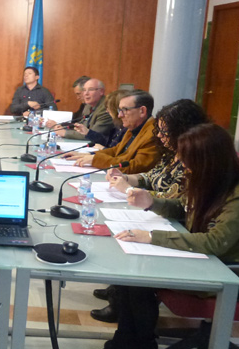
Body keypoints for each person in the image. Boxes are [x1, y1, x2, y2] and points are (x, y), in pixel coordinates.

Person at [85, 123, 239, 349]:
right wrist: (150, 202)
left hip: (232, 272)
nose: (184, 166)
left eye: (188, 160)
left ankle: (132, 344)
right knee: (130, 272)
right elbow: (182, 207)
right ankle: (134, 343)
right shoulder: (207, 178)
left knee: (138, 277)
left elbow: (216, 242)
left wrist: (153, 237)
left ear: (209, 160)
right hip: (204, 257)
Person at [90, 99, 210, 323]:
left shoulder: (197, 159)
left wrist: (133, 191)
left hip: (180, 228)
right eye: (161, 131)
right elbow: (151, 176)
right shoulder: (170, 152)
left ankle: (124, 309)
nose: (162, 137)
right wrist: (126, 178)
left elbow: (181, 202)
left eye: (166, 132)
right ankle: (121, 296)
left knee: (131, 243)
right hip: (161, 217)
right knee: (121, 232)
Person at [66, 89, 160, 174]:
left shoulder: (153, 134)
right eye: (119, 110)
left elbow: (135, 166)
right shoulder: (134, 127)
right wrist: (87, 155)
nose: (119, 115)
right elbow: (116, 150)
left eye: (124, 110)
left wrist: (96, 160)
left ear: (142, 111)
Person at [48, 78, 114, 141]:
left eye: (90, 89)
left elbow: (92, 134)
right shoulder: (88, 106)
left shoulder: (106, 108)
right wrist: (63, 128)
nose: (86, 93)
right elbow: (81, 127)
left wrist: (65, 133)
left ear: (101, 91)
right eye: (84, 90)